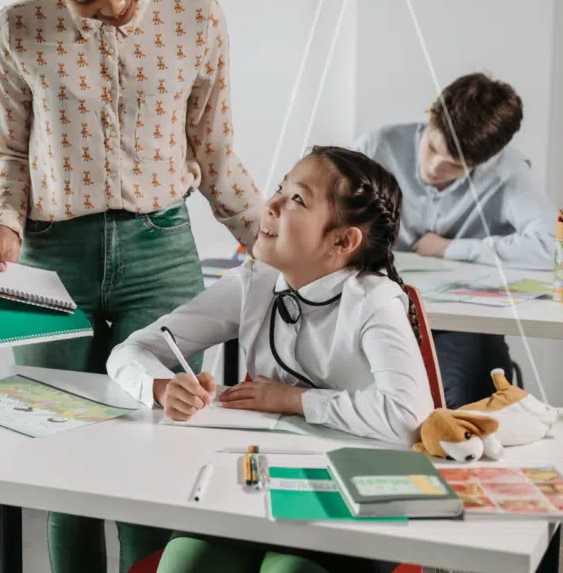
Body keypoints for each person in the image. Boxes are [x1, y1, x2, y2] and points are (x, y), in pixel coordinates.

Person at [0, 0, 263, 569]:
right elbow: (9, 153)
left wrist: (281, 243)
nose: (112, 5)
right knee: (63, 457)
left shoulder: (198, 19)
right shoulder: (17, 31)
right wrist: (5, 222)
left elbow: (218, 157)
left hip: (161, 252)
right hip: (52, 259)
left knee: (159, 448)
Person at [110, 147, 431, 573]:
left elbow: (409, 416)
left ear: (342, 240)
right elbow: (131, 351)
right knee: (183, 565)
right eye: (280, 189)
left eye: (297, 199)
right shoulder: (254, 283)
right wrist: (160, 386)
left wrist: (294, 400)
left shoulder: (374, 302)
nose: (272, 204)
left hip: (354, 498)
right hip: (258, 486)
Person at [353, 73, 552, 407]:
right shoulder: (378, 146)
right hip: (378, 309)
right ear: (431, 115)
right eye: (431, 148)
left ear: (483, 162)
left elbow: (551, 246)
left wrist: (450, 249)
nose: (433, 169)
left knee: (450, 397)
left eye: (454, 166)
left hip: (459, 325)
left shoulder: (508, 172)